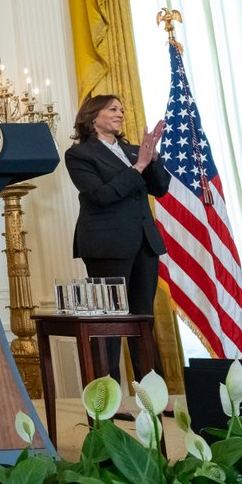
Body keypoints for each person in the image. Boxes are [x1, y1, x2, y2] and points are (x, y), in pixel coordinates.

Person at [64, 94, 168, 380]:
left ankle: (152, 390)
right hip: (106, 245)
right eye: (113, 109)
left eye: (122, 109)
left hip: (145, 242)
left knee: (142, 318)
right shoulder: (80, 154)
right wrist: (138, 167)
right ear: (93, 116)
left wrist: (153, 158)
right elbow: (101, 195)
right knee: (109, 319)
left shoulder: (136, 151)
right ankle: (108, 393)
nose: (120, 113)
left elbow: (159, 189)